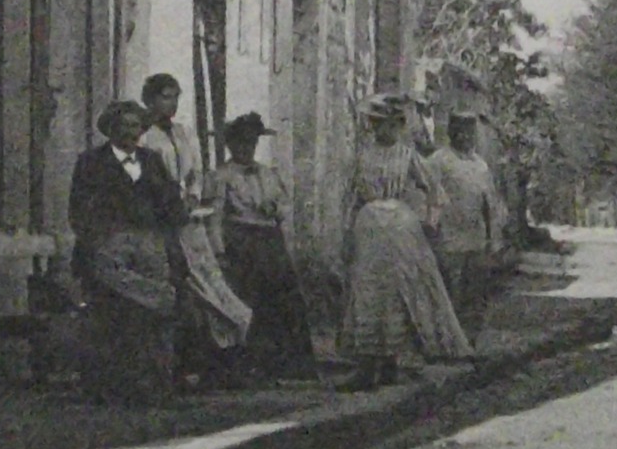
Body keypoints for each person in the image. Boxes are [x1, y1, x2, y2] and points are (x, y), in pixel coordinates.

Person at [337, 93, 472, 391]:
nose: (383, 130)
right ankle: (366, 364)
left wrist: (430, 222)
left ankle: (391, 362)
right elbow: (350, 197)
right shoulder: (361, 155)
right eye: (377, 124)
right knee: (367, 289)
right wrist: (346, 232)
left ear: (399, 125)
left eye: (390, 124)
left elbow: (435, 191)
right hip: (369, 225)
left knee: (398, 291)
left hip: (400, 227)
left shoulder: (408, 155)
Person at [68, 99, 188, 405]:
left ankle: (157, 385)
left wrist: (172, 213)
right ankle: (111, 389)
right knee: (116, 312)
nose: (130, 133)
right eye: (123, 127)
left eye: (136, 127)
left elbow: (171, 203)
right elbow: (79, 210)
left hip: (148, 242)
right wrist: (98, 240)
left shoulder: (152, 160)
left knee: (160, 305)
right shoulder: (91, 162)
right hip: (110, 243)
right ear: (110, 130)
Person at [138, 72, 253, 388]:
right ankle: (180, 366)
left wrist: (191, 194)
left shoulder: (185, 133)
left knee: (212, 287)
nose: (171, 104)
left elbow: (197, 172)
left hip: (190, 221)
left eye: (175, 97)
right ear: (149, 100)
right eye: (165, 96)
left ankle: (223, 361)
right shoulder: (144, 137)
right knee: (182, 291)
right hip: (162, 223)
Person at [206, 113, 318, 381]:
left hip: (269, 240)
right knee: (247, 299)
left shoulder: (268, 174)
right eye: (240, 143)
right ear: (230, 145)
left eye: (251, 142)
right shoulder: (221, 176)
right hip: (240, 241)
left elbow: (285, 204)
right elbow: (215, 217)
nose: (246, 148)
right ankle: (248, 365)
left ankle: (288, 363)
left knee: (283, 298)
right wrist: (219, 251)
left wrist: (277, 209)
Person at [427, 112, 508, 339]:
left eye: (470, 132)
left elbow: (489, 204)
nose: (465, 137)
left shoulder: (480, 166)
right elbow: (429, 198)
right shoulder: (439, 161)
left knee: (475, 292)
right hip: (448, 239)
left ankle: (470, 340)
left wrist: (494, 239)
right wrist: (432, 230)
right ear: (450, 133)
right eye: (459, 131)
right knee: (449, 292)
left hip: (476, 238)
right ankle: (447, 341)